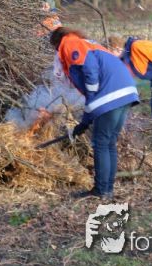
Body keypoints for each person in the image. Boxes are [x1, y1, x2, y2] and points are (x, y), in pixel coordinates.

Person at [47, 27, 140, 202]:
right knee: (109, 142)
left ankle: (101, 190)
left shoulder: (70, 43)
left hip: (111, 94)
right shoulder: (86, 43)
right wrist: (84, 123)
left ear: (57, 42)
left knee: (101, 143)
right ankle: (107, 189)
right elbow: (92, 101)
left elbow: (89, 68)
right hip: (126, 91)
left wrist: (91, 90)